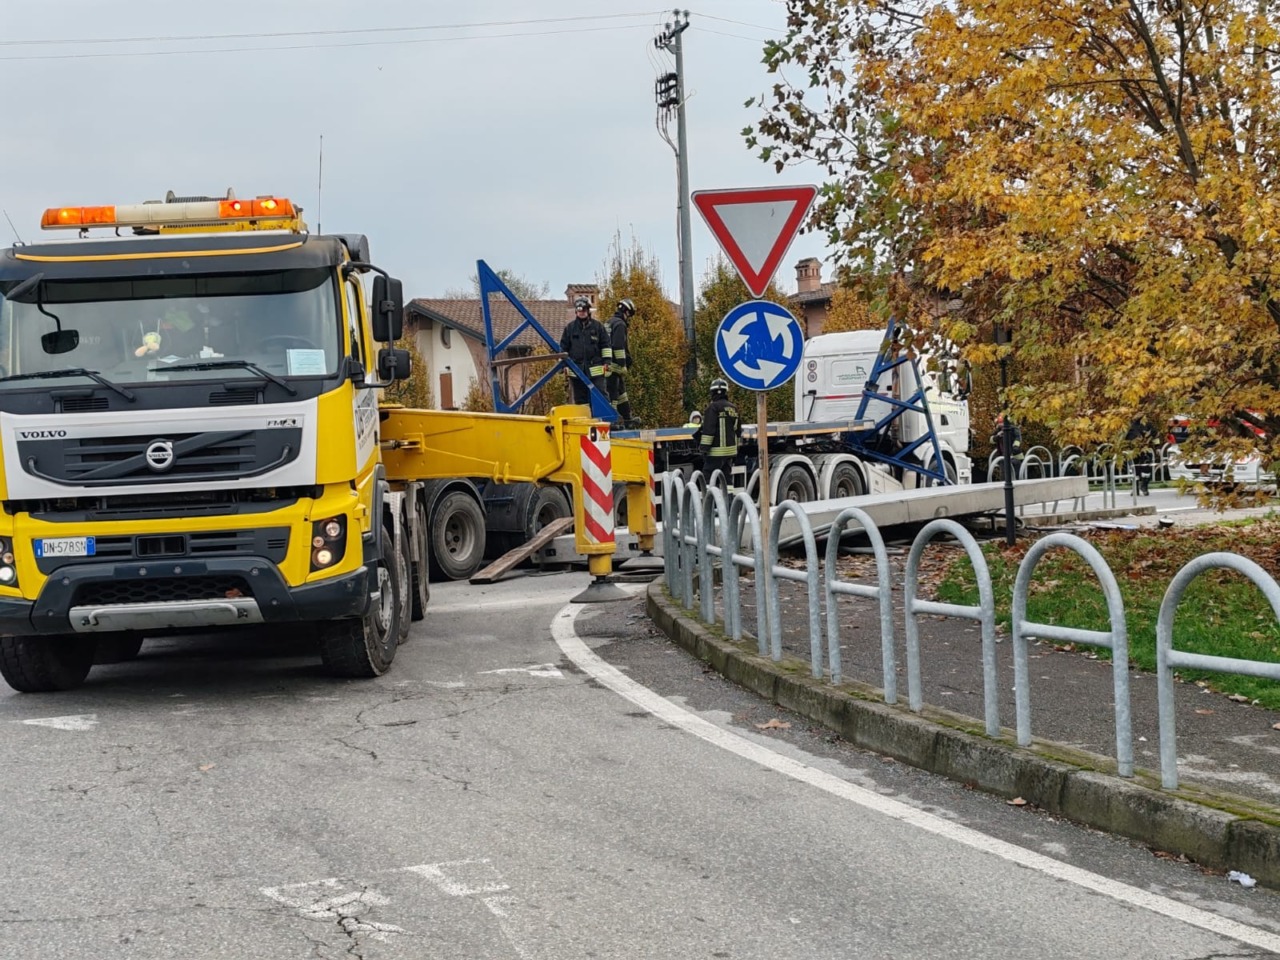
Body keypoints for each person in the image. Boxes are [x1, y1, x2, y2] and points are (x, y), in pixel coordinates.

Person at [559, 296, 609, 404]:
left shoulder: (598, 327)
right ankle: (586, 419)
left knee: (601, 396)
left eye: (584, 310)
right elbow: (563, 349)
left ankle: (606, 419)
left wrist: (607, 362)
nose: (581, 312)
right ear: (576, 311)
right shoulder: (570, 328)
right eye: (579, 310)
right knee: (581, 400)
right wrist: (563, 366)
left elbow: (606, 345)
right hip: (577, 370)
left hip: (596, 369)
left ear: (588, 310)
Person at [693, 378, 739, 484]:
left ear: (712, 392)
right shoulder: (733, 408)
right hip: (730, 452)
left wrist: (703, 449)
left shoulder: (713, 408)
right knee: (726, 479)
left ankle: (709, 499)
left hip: (716, 452)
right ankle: (729, 498)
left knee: (707, 477)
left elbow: (709, 430)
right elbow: (738, 430)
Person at [606, 297, 636, 424]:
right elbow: (618, 346)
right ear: (627, 312)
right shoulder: (620, 324)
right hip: (614, 366)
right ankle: (612, 420)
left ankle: (627, 417)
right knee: (613, 393)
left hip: (607, 363)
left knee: (621, 393)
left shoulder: (609, 322)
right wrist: (623, 365)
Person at [1126, 417, 1157, 495]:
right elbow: (1125, 437)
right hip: (1133, 450)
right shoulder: (1129, 424)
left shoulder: (1148, 424)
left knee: (1146, 470)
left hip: (1146, 449)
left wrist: (1157, 448)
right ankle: (1135, 488)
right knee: (1134, 470)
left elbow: (1155, 435)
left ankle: (1144, 486)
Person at [990, 412, 1023, 478]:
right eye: (999, 423)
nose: (1000, 425)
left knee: (1016, 475)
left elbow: (1018, 438)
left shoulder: (1013, 429)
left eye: (1002, 423)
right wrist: (997, 437)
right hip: (1002, 456)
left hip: (1015, 456)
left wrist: (1015, 446)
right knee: (1004, 476)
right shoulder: (998, 431)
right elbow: (991, 440)